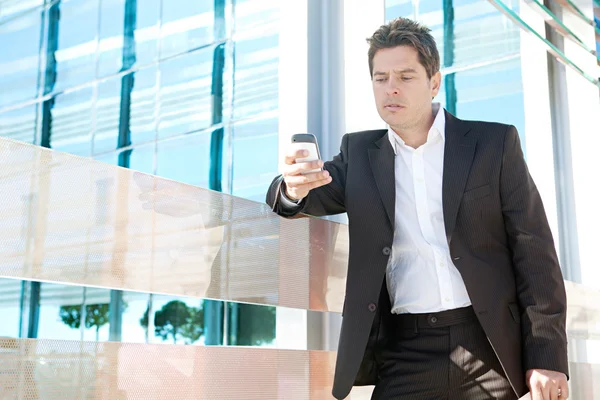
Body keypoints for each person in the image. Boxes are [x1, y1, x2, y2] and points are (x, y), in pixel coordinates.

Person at [266, 17, 568, 400]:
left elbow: (535, 254)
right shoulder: (360, 156)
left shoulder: (493, 144)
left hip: (488, 345)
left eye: (406, 76)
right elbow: (296, 198)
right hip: (404, 350)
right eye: (381, 78)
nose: (391, 88)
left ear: (434, 81)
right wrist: (293, 186)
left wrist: (547, 356)